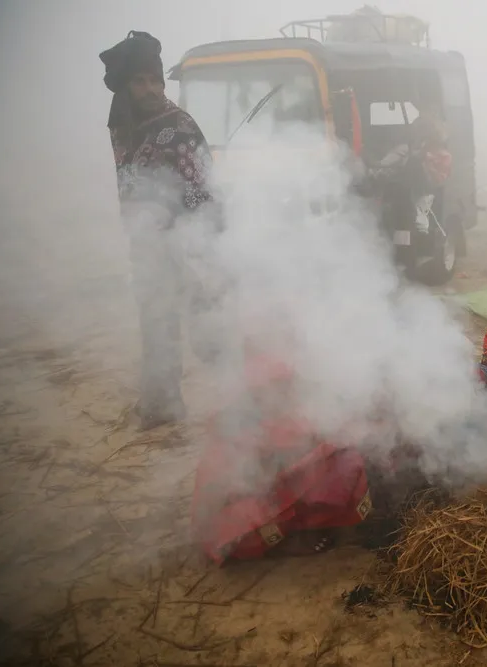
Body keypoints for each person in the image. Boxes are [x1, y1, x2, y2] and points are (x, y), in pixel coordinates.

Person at [100, 31, 224, 430]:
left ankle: (250, 402)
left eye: (156, 80)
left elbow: (205, 190)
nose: (151, 89)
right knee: (155, 320)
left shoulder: (179, 125)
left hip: (185, 242)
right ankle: (163, 403)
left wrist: (197, 247)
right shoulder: (122, 126)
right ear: (125, 86)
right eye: (140, 81)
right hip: (146, 244)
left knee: (211, 328)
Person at [191, 350, 373, 563]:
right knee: (343, 465)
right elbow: (287, 441)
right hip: (243, 506)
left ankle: (304, 524)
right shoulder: (260, 396)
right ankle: (289, 537)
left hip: (271, 472)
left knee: (345, 453)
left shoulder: (287, 375)